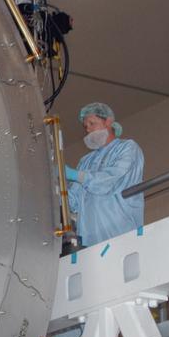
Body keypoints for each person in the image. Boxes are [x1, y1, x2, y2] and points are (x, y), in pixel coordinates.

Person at [65, 102, 145, 247]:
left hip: (120, 236)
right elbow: (73, 202)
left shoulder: (127, 148)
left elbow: (110, 181)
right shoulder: (85, 161)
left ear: (108, 121)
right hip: (89, 242)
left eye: (92, 123)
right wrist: (55, 185)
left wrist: (76, 175)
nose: (88, 129)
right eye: (85, 126)